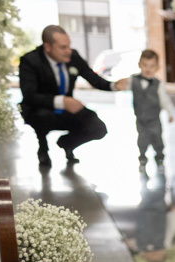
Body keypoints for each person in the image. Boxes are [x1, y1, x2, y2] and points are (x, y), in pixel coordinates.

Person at [18, 25, 128, 170]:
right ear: (47, 47)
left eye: (69, 46)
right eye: (63, 47)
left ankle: (67, 143)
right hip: (40, 110)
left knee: (98, 127)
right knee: (42, 116)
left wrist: (113, 85)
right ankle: (43, 149)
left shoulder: (73, 56)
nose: (68, 51)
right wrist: (61, 101)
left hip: (67, 108)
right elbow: (29, 95)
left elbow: (92, 78)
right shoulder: (30, 61)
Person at [130, 50, 175, 173]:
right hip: (140, 120)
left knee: (158, 140)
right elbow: (121, 86)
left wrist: (170, 113)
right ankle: (142, 160)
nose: (148, 69)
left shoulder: (158, 84)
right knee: (142, 141)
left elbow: (165, 100)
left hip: (154, 119)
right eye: (145, 65)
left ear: (157, 68)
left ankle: (160, 159)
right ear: (139, 64)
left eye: (152, 66)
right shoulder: (133, 80)